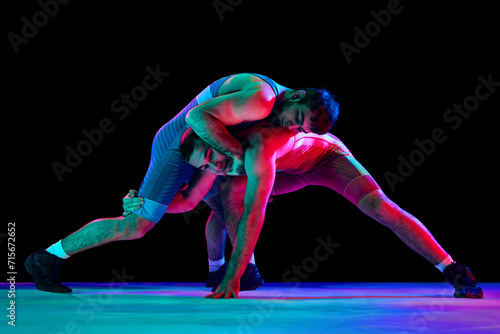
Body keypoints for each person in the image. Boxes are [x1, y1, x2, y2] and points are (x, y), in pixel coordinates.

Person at [25, 73, 340, 293]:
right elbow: (195, 119)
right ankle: (47, 258)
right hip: (182, 145)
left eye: (301, 128)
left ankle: (230, 270)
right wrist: (239, 159)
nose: (292, 127)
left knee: (223, 202)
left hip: (212, 147)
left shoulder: (282, 111)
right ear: (296, 95)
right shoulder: (262, 99)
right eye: (297, 118)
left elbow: (190, 202)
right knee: (136, 226)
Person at [125, 122, 482, 299]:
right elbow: (186, 202)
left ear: (221, 141)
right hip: (289, 171)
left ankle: (452, 269)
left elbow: (255, 214)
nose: (215, 166)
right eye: (208, 165)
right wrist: (141, 201)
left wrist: (233, 271)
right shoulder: (216, 162)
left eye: (215, 158)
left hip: (325, 159)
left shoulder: (257, 146)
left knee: (380, 207)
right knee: (223, 193)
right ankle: (234, 271)